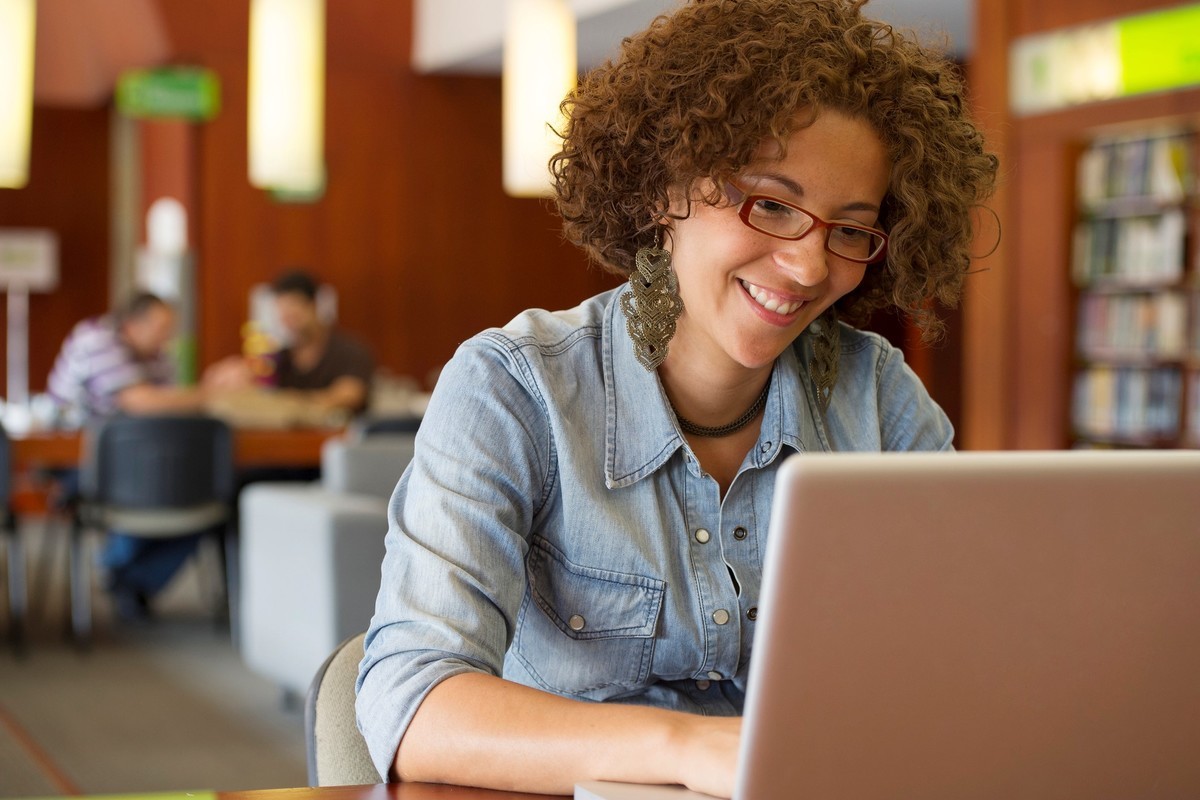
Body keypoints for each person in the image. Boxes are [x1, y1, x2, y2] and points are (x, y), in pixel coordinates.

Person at [356, 1, 999, 796]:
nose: (806, 265)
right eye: (770, 203)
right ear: (665, 188)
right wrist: (696, 750)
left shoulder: (878, 396)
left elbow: (959, 663)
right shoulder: (515, 389)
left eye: (848, 230)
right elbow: (412, 705)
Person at [47, 291, 211, 619]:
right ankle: (123, 571)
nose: (168, 336)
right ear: (132, 324)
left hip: (142, 463)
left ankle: (125, 574)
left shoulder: (158, 355)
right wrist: (212, 391)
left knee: (206, 492)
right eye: (160, 326)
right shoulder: (95, 338)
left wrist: (196, 394)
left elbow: (170, 410)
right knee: (148, 485)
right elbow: (141, 402)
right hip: (78, 460)